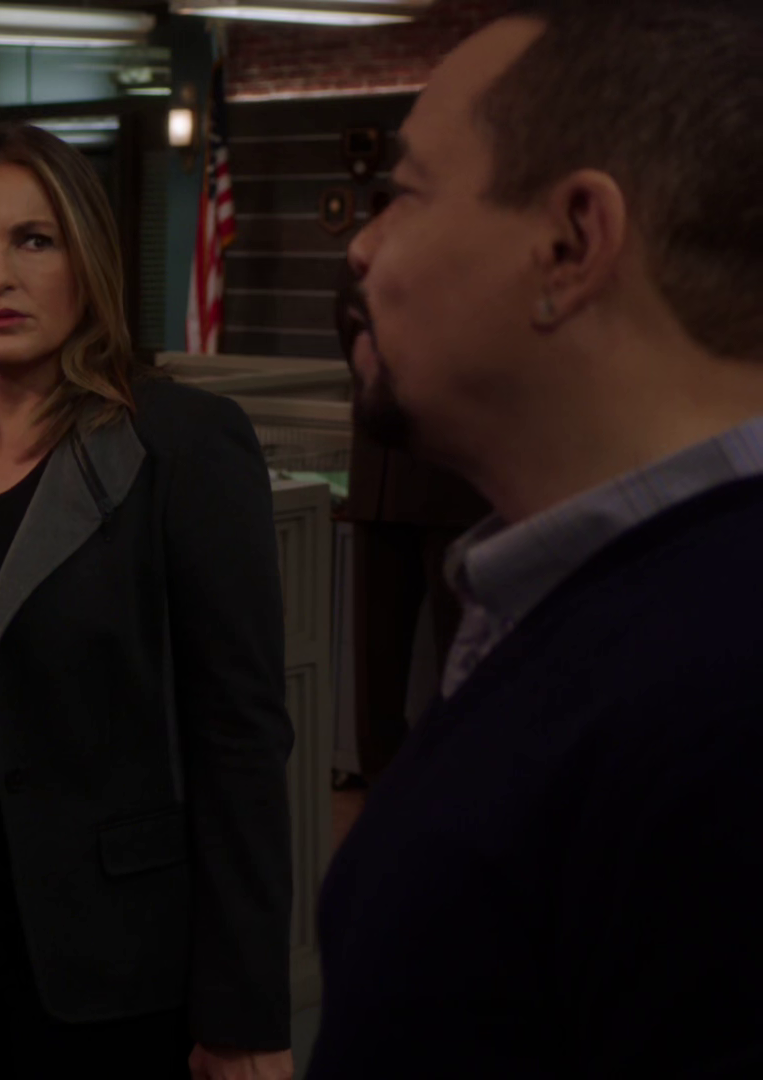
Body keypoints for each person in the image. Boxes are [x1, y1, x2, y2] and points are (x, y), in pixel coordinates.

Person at [312, 2, 763, 1076]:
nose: (362, 246)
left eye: (405, 194)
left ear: (571, 244)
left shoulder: (722, 706)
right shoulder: (616, 608)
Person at [0, 122, 295, 1079]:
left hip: (103, 973)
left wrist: (245, 1014)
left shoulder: (182, 443)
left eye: (33, 240)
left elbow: (240, 741)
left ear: (87, 262)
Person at [335, 263, 487, 782]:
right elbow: (352, 335)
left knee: (460, 665)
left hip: (451, 487)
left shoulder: (466, 264)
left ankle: (457, 787)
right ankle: (384, 790)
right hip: (381, 486)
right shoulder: (367, 260)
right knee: (375, 672)